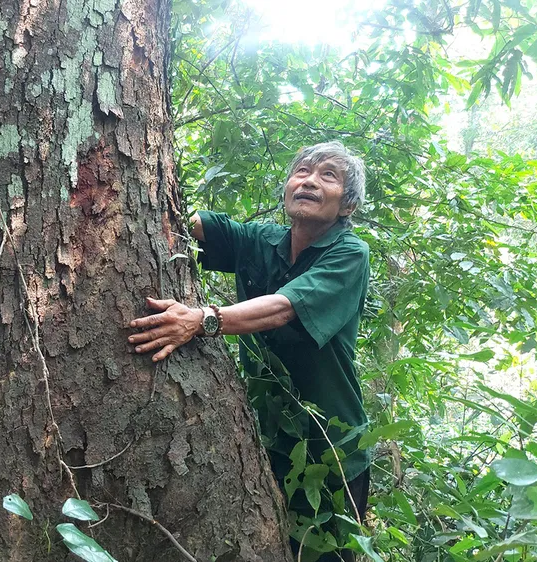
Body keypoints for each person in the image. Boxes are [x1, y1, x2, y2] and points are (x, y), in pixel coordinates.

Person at [128, 141, 370, 561]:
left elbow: (282, 308)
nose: (309, 180)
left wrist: (199, 320)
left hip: (332, 453)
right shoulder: (263, 240)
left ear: (346, 205)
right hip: (269, 439)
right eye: (302, 171)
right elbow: (190, 223)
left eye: (328, 175)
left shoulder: (349, 253)